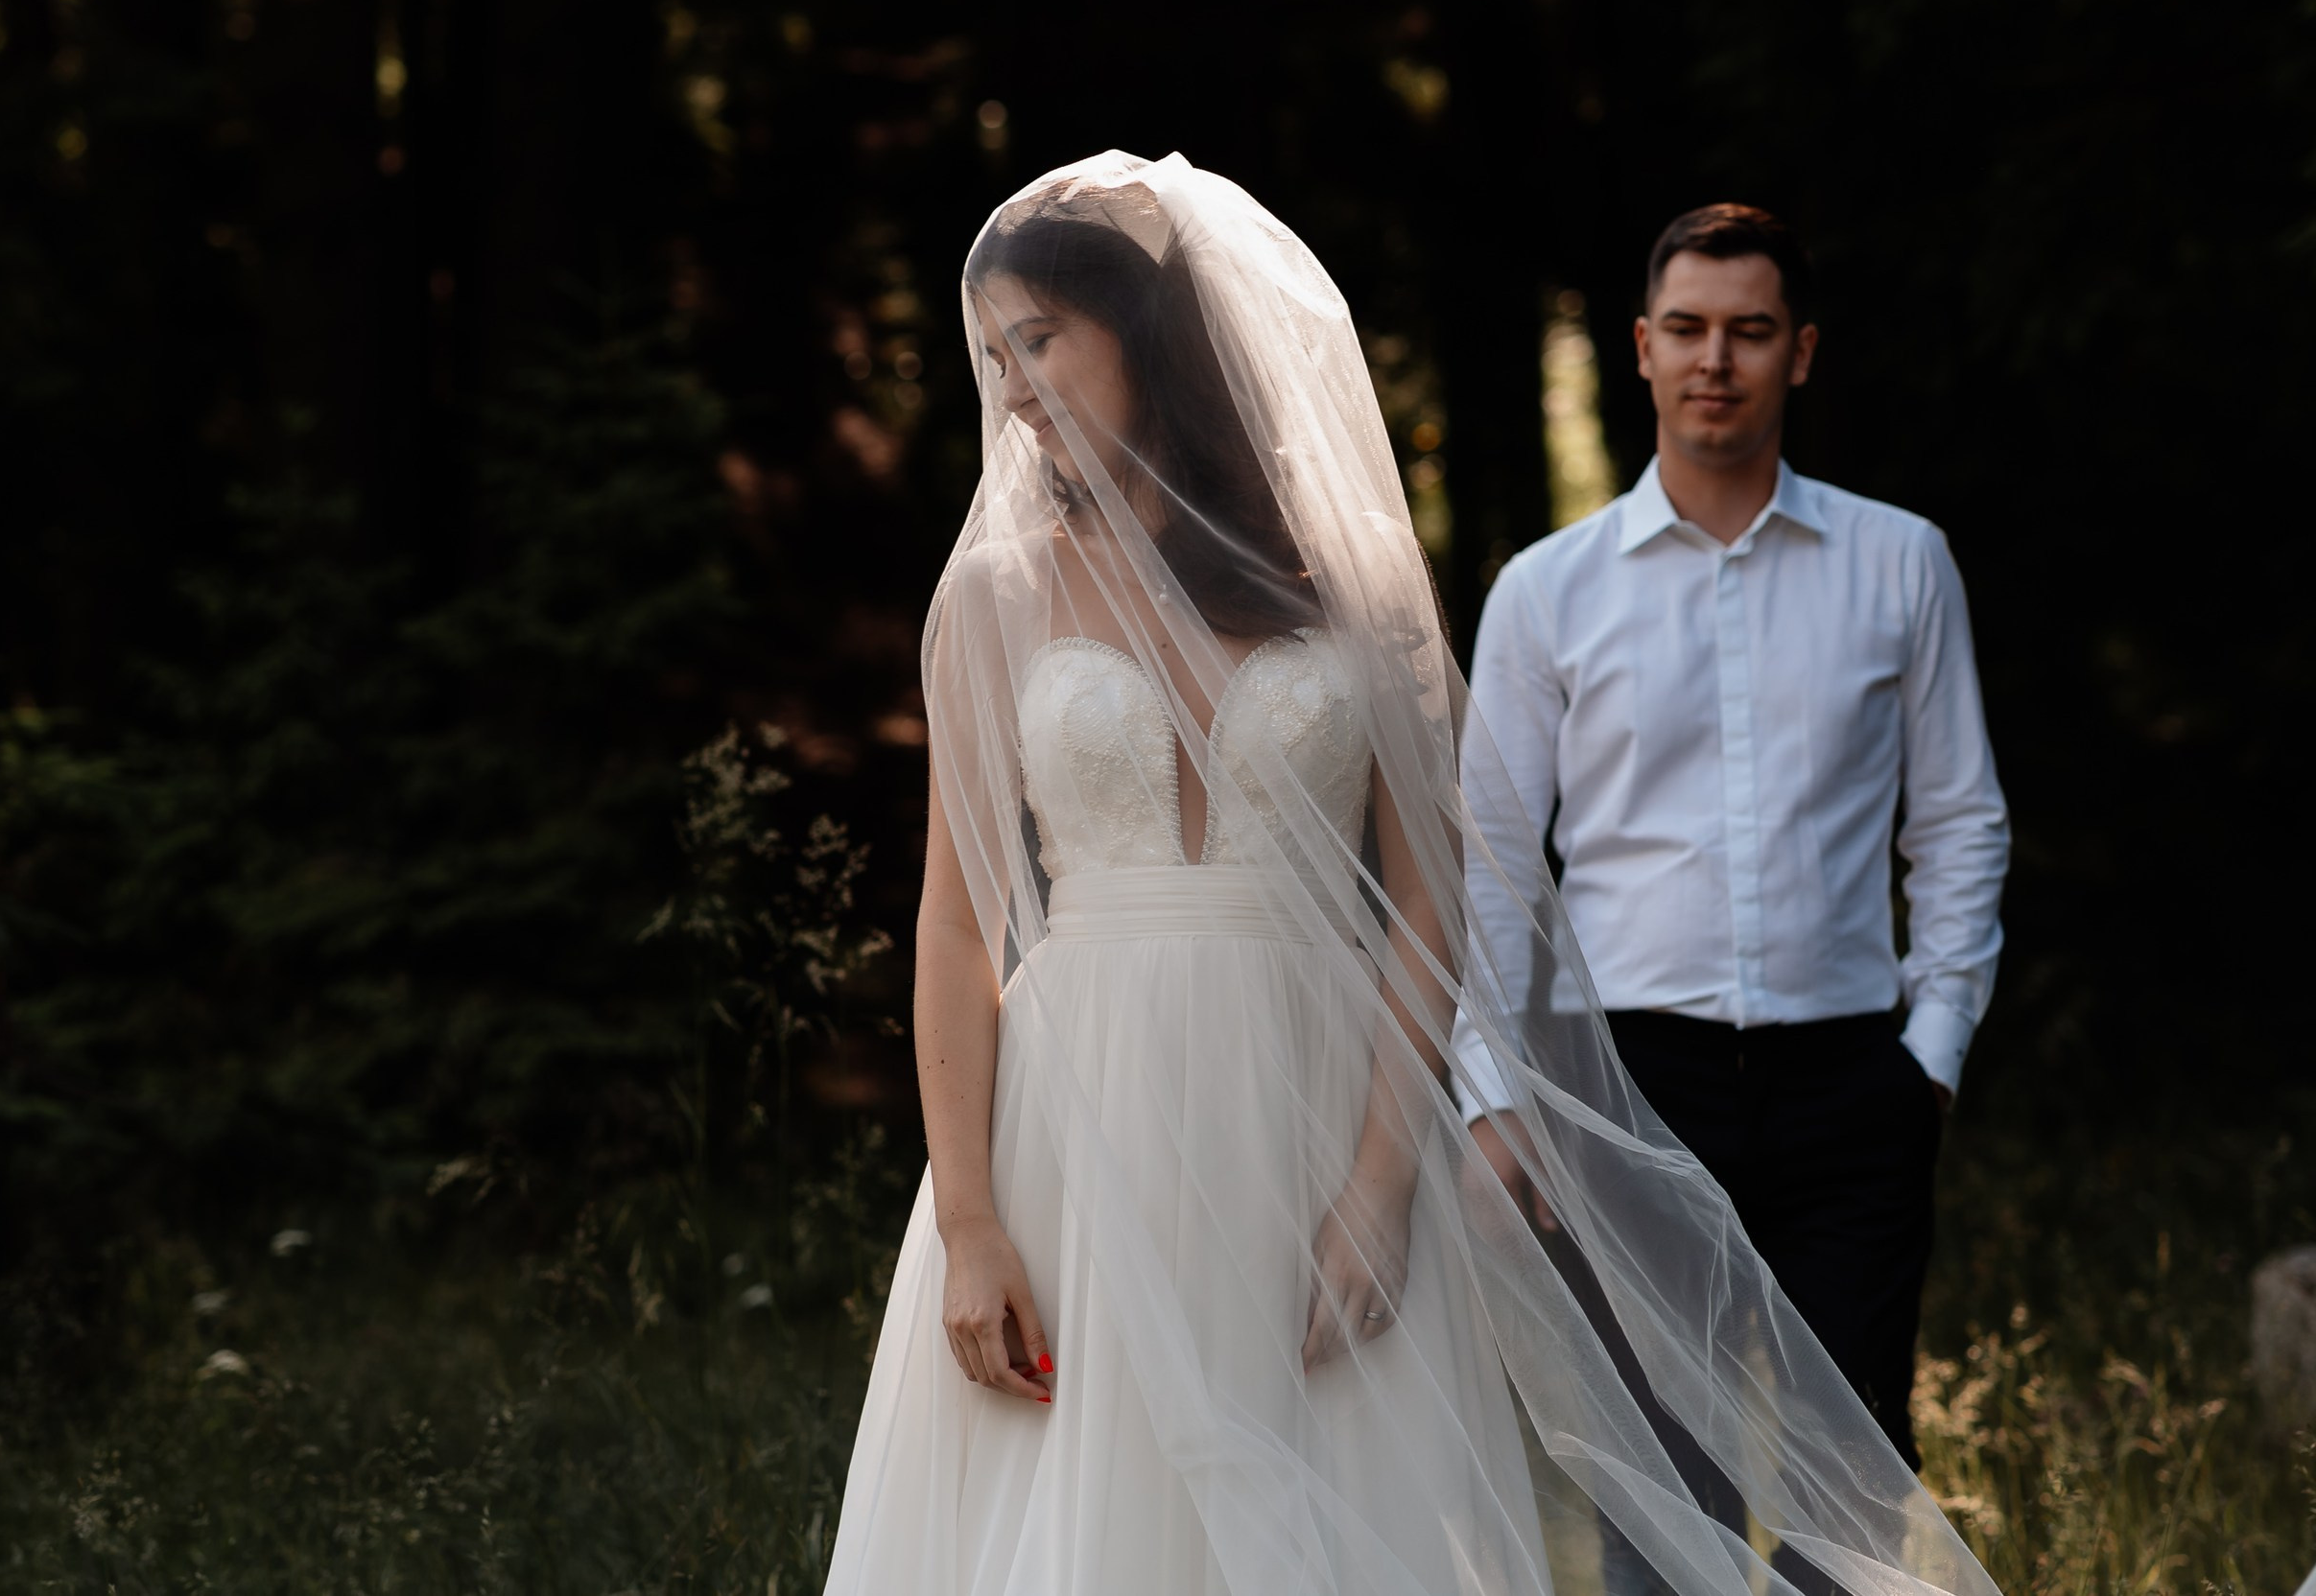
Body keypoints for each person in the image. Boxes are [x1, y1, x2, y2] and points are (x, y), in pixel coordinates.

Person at [824, 154, 2000, 1596]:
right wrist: (970, 1220)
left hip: (1316, 1103)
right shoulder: (994, 595)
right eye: (994, 350)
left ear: (1142, 336)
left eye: (1041, 339)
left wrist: (1384, 1184)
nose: (1012, 382)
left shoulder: (1350, 581)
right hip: (1082, 1119)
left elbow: (1431, 902)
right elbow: (953, 923)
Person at [1451, 204, 2011, 1594]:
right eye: (1689, 331)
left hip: (1849, 1091)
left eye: (1751, 332)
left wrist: (1928, 1053)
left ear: (1799, 354)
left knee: (1850, 1480)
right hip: (1631, 1092)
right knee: (1657, 1483)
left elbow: (1959, 824)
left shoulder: (1903, 564)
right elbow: (1490, 867)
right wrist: (1494, 1093)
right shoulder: (1546, 593)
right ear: (1640, 351)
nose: (1718, 360)